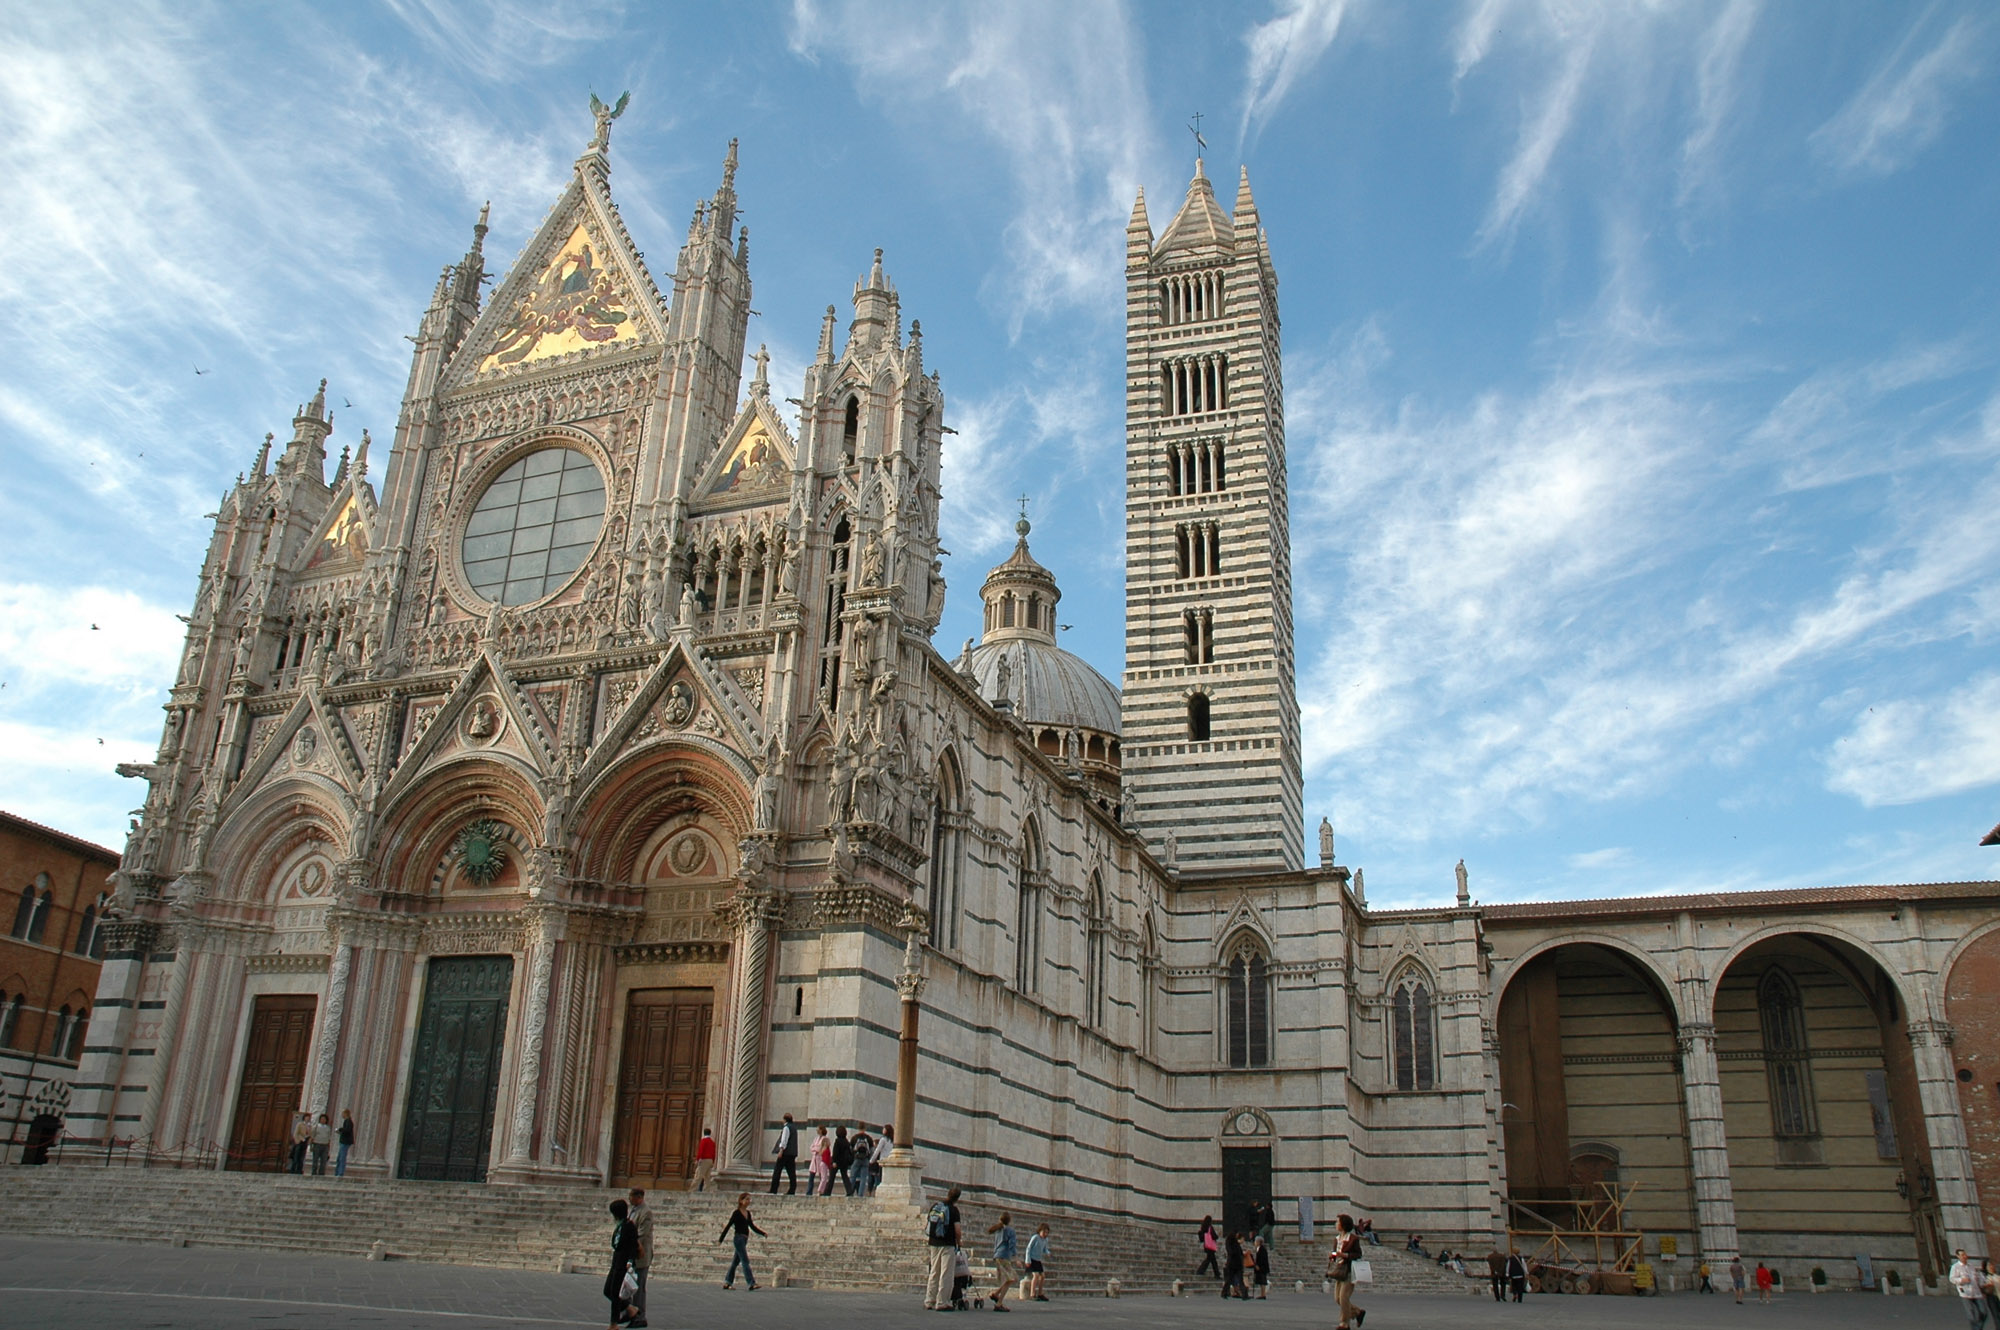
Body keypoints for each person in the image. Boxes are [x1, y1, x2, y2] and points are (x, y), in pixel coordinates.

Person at [924, 1186, 963, 1311]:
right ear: (957, 1198)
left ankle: (929, 1300)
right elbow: (957, 1230)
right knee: (946, 1273)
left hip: (934, 1242)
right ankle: (942, 1302)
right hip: (947, 1244)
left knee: (934, 1271)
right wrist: (959, 1242)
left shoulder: (936, 1206)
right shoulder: (953, 1210)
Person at [717, 1193, 766, 1290]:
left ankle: (727, 1282)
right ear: (741, 1201)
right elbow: (728, 1225)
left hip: (744, 1239)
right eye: (746, 1199)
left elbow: (752, 1226)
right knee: (745, 1260)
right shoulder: (736, 1213)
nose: (748, 1201)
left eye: (749, 1199)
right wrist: (721, 1239)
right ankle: (751, 1282)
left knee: (735, 1262)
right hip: (738, 1238)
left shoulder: (748, 1213)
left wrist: (763, 1233)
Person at [604, 1198, 640, 1330]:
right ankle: (630, 1309)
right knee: (607, 1290)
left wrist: (630, 1262)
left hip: (623, 1263)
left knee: (615, 1293)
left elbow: (633, 1245)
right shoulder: (620, 1226)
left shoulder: (629, 1226)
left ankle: (613, 1324)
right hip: (616, 1262)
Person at [1328, 1213, 1365, 1329]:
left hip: (1348, 1271)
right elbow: (1335, 1254)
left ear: (1343, 1225)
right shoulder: (1337, 1239)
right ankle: (1358, 1312)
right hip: (1339, 1271)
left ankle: (1344, 1324)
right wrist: (1332, 1256)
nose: (1336, 1224)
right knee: (1338, 1299)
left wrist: (1345, 1255)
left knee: (1344, 1297)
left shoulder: (1353, 1239)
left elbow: (1358, 1254)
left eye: (1337, 1222)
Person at [625, 1187, 653, 1328]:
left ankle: (640, 1315)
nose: (629, 1199)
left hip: (641, 1255)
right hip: (632, 1253)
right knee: (630, 1285)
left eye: (631, 1196)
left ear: (639, 1197)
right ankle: (631, 1311)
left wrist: (631, 1244)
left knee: (639, 1286)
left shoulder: (645, 1212)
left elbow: (642, 1234)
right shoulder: (634, 1210)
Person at [988, 1212, 1019, 1311]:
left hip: (997, 1256)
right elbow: (1012, 1245)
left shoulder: (998, 1230)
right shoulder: (1010, 1231)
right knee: (1010, 1279)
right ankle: (999, 1303)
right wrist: (1016, 1258)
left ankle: (996, 1294)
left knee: (1010, 1278)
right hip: (1004, 1257)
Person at [1952, 1250, 1989, 1329]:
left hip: (1976, 1292)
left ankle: (1978, 1327)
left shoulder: (1971, 1266)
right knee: (1971, 1315)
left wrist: (1983, 1287)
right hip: (1965, 1293)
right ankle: (1976, 1328)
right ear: (1958, 1256)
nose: (1965, 1256)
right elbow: (1952, 1279)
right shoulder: (1955, 1267)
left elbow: (1978, 1277)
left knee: (1984, 1312)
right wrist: (1962, 1280)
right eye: (1962, 1255)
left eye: (1965, 1254)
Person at [769, 1113, 798, 1194]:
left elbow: (784, 1140)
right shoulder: (794, 1128)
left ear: (785, 1119)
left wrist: (781, 1150)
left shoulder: (786, 1128)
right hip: (792, 1154)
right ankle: (792, 1189)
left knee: (777, 1171)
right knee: (791, 1173)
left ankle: (774, 1189)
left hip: (785, 1153)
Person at [1025, 1224, 1051, 1301]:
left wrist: (1047, 1252)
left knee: (1042, 1276)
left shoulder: (1046, 1240)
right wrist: (1027, 1260)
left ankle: (1040, 1293)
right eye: (1044, 1232)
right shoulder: (1035, 1237)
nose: (1045, 1234)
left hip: (1038, 1260)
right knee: (1035, 1275)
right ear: (1040, 1231)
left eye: (1046, 1232)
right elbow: (1028, 1248)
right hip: (1032, 1259)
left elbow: (1044, 1249)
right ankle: (1032, 1294)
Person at [808, 1125, 831, 1197]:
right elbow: (811, 1147)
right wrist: (815, 1149)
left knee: (822, 1176)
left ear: (821, 1130)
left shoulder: (825, 1139)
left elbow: (820, 1149)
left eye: (818, 1129)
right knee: (811, 1176)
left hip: (821, 1159)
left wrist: (816, 1149)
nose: (816, 1130)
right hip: (814, 1158)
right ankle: (809, 1192)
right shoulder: (816, 1138)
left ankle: (822, 1191)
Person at [692, 1126, 717, 1192]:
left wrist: (698, 1159)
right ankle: (706, 1190)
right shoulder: (712, 1142)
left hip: (704, 1159)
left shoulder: (703, 1141)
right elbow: (714, 1152)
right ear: (710, 1133)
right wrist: (713, 1161)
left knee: (698, 1175)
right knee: (707, 1177)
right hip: (710, 1160)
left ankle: (692, 1190)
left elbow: (701, 1150)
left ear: (704, 1133)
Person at [833, 1125, 855, 1196]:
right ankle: (850, 1190)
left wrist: (834, 1161)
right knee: (845, 1177)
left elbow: (835, 1152)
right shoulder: (846, 1141)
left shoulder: (837, 1141)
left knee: (831, 1177)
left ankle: (827, 1191)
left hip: (838, 1161)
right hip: (844, 1162)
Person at [851, 1128, 874, 1197]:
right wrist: (870, 1159)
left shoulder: (855, 1137)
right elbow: (872, 1150)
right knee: (863, 1177)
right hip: (865, 1159)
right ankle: (860, 1194)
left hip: (857, 1158)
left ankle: (850, 1192)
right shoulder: (868, 1138)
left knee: (853, 1176)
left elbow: (851, 1148)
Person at [1223, 1231, 1246, 1299]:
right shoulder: (1232, 1244)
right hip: (1233, 1264)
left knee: (1237, 1280)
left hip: (1235, 1264)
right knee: (1231, 1279)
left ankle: (1244, 1294)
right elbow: (1232, 1253)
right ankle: (1225, 1292)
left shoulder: (1234, 1244)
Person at [871, 1124, 894, 1193]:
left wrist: (872, 1160)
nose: (882, 1130)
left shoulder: (883, 1139)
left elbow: (878, 1150)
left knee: (880, 1178)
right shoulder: (892, 1140)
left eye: (884, 1129)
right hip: (890, 1160)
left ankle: (880, 1192)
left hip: (883, 1160)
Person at [335, 1109, 355, 1178]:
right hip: (344, 1141)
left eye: (342, 1113)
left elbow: (347, 1131)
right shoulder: (347, 1121)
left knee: (342, 1158)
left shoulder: (348, 1121)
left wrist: (340, 1129)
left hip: (345, 1142)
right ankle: (337, 1172)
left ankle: (340, 1172)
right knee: (339, 1157)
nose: (342, 1115)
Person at [1252, 1234, 1271, 1299]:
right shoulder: (1259, 1249)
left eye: (1256, 1241)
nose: (1255, 1243)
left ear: (1259, 1242)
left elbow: (1262, 1259)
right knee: (1261, 1281)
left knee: (1262, 1281)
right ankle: (1262, 1294)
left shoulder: (1262, 1249)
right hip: (1261, 1267)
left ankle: (1263, 1294)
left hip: (1262, 1268)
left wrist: (1258, 1266)